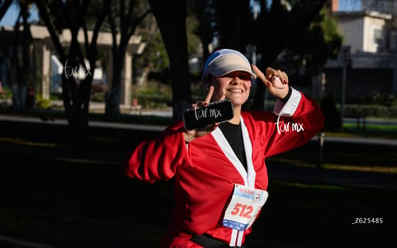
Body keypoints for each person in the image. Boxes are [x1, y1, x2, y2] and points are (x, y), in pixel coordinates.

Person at [124, 48, 324, 248]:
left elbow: (312, 121)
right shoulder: (189, 131)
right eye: (228, 74)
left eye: (244, 76)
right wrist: (186, 136)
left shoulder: (259, 128)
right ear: (207, 82)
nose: (237, 81)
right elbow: (137, 167)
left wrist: (286, 94)